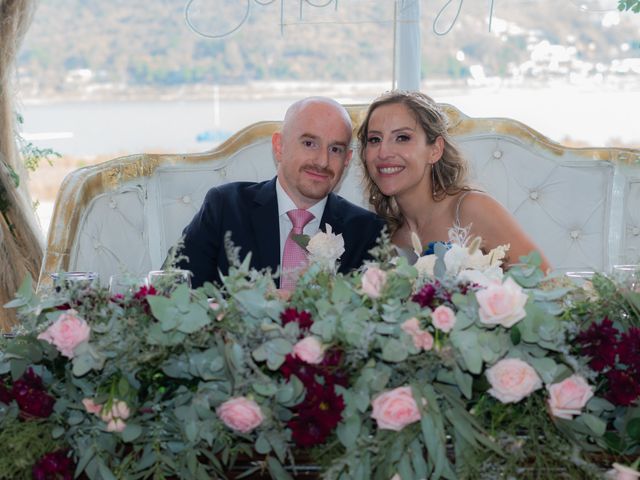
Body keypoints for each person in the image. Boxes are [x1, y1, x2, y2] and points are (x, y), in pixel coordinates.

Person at [173, 96, 385, 289]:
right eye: (309, 143)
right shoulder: (225, 207)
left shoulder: (367, 231)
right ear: (279, 146)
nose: (322, 161)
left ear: (347, 160)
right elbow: (175, 287)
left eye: (335, 149)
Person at [357, 90, 551, 272]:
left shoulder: (472, 210)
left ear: (435, 150)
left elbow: (546, 282)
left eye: (402, 137)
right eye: (374, 140)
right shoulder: (386, 238)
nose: (383, 152)